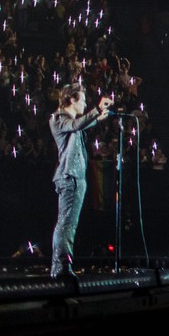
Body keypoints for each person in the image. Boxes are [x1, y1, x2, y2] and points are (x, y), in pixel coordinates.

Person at [49, 83, 112, 277]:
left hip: (76, 177)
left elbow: (78, 126)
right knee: (66, 223)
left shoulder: (70, 121)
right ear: (72, 99)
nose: (85, 104)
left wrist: (96, 118)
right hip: (69, 177)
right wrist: (97, 109)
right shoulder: (58, 118)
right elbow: (76, 126)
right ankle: (61, 268)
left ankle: (61, 266)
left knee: (70, 223)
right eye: (83, 100)